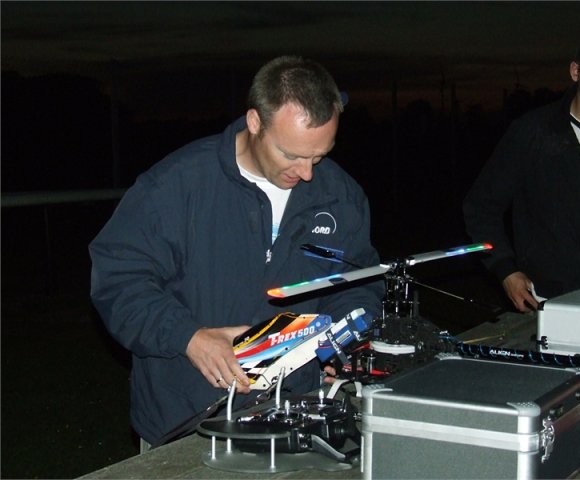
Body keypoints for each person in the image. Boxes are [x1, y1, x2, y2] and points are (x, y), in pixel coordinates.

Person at [89, 55, 384, 447]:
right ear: (255, 122)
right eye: (291, 155)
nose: (307, 173)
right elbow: (118, 281)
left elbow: (357, 284)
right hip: (187, 421)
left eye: (318, 156)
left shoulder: (340, 196)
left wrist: (345, 340)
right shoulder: (177, 186)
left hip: (298, 413)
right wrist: (188, 337)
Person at [463, 23, 580, 313]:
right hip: (545, 297)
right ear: (575, 71)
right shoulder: (531, 132)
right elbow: (481, 207)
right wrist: (505, 269)